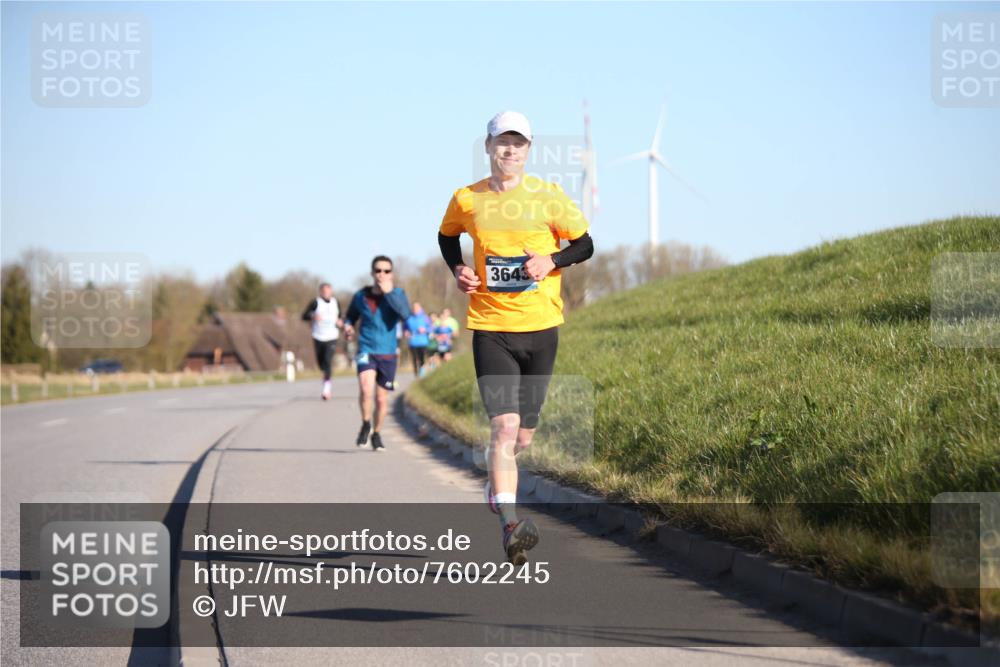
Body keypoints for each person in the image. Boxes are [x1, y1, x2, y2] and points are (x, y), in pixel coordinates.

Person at [438, 111, 594, 565]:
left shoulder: (548, 197)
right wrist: (459, 269)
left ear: (528, 150)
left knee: (524, 435)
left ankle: (497, 481)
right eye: (501, 142)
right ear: (487, 148)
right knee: (503, 427)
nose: (509, 150)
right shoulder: (466, 199)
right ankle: (510, 522)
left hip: (541, 327)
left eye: (518, 143)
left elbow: (585, 244)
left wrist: (551, 260)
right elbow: (447, 237)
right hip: (491, 328)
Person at [343, 256, 411, 452]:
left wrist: (388, 293)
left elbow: (405, 315)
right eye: (378, 271)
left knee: (381, 400)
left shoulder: (398, 294)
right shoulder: (360, 296)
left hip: (388, 353)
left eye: (386, 271)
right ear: (372, 273)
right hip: (366, 348)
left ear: (392, 274)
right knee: (366, 389)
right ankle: (366, 423)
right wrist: (348, 328)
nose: (382, 274)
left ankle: (377, 433)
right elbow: (350, 318)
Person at [301, 282, 342, 400]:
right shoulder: (315, 302)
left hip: (332, 336)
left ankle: (326, 390)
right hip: (318, 336)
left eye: (328, 291)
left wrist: (340, 322)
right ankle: (325, 375)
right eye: (324, 291)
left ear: (331, 292)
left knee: (328, 362)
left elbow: (341, 316)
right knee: (321, 364)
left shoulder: (335, 302)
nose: (326, 293)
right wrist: (313, 316)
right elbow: (304, 315)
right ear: (320, 292)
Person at [405, 302, 432, 377]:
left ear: (420, 308)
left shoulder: (425, 318)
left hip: (423, 342)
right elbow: (405, 328)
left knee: (421, 358)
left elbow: (431, 328)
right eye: (414, 308)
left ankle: (421, 373)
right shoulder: (409, 318)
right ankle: (416, 374)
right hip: (412, 342)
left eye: (417, 308)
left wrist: (425, 330)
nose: (415, 309)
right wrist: (406, 332)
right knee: (414, 359)